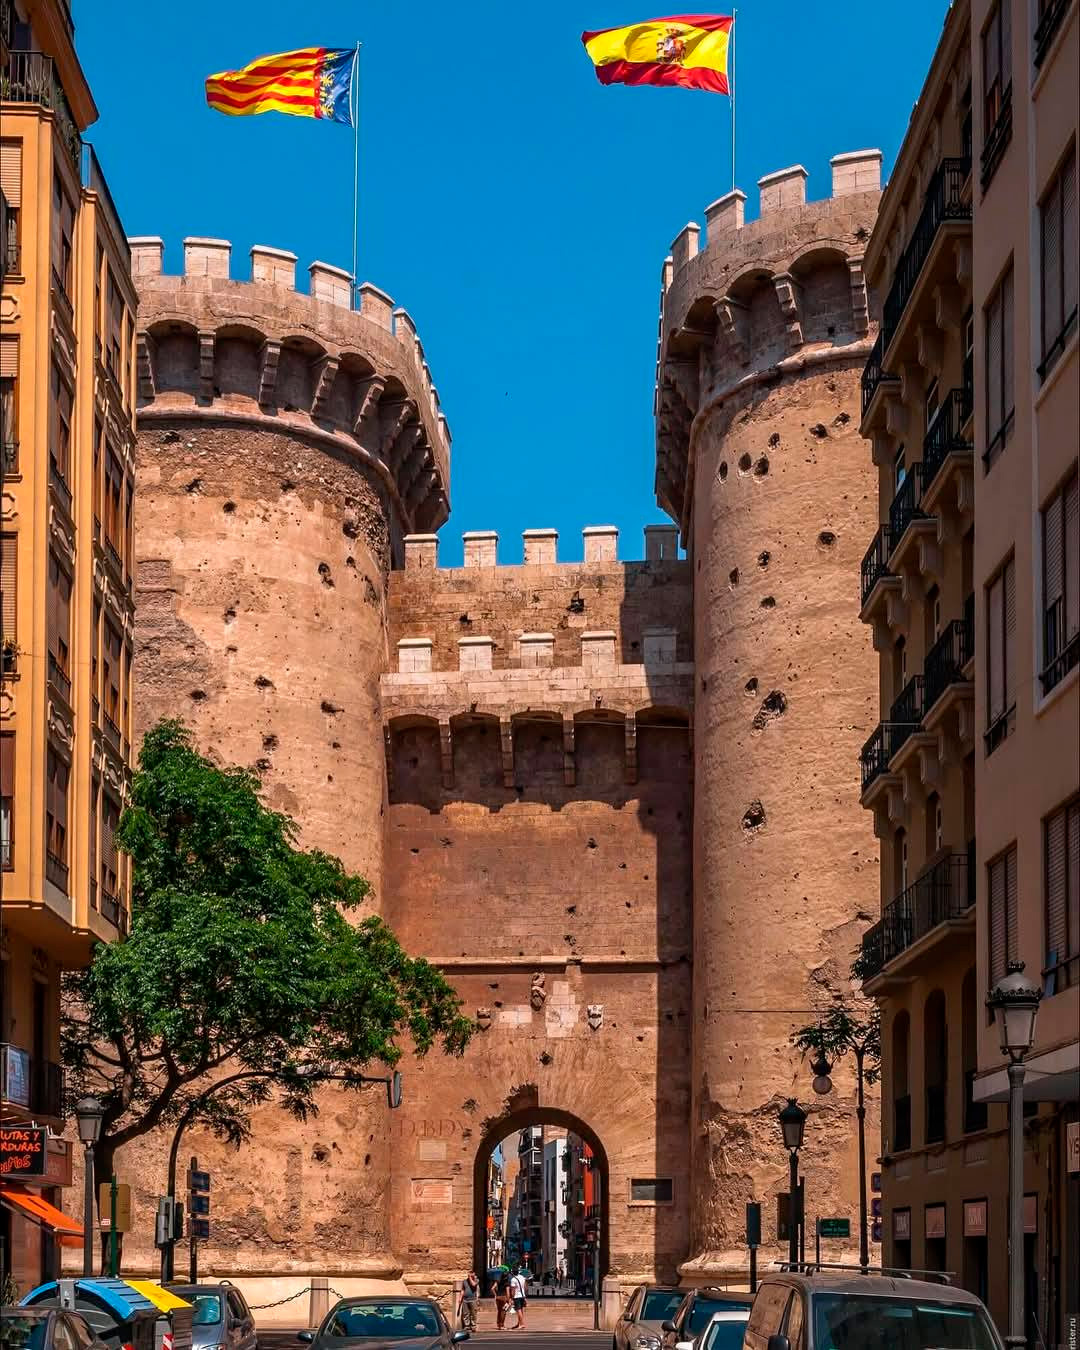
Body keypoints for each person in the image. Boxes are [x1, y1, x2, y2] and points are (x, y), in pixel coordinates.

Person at [509, 1265, 529, 1330]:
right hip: (522, 1296)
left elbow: (513, 1290)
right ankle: (519, 1324)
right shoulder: (522, 1277)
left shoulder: (513, 1279)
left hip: (516, 1296)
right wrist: (525, 1296)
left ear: (512, 1272)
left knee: (518, 1310)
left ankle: (522, 1324)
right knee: (521, 1310)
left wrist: (511, 1298)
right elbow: (525, 1287)